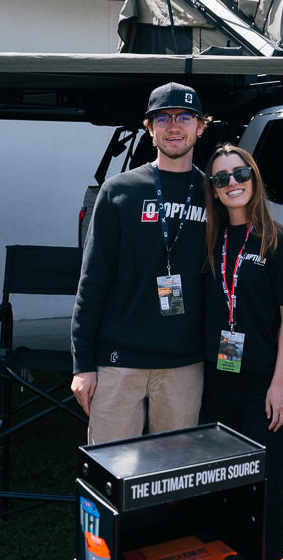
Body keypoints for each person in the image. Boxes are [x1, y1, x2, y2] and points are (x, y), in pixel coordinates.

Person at [71, 82, 210, 444]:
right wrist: (83, 364)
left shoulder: (216, 194)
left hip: (184, 364)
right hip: (119, 361)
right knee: (111, 468)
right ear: (149, 128)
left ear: (200, 126)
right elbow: (93, 280)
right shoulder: (120, 191)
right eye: (162, 118)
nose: (173, 126)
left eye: (184, 117)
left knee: (173, 470)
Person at [201, 144, 283, 560]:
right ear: (213, 189)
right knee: (219, 485)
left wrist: (280, 385)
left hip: (261, 385)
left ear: (254, 178)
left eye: (240, 174)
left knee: (262, 485)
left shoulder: (277, 241)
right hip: (215, 384)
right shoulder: (208, 240)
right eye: (221, 178)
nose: (233, 183)